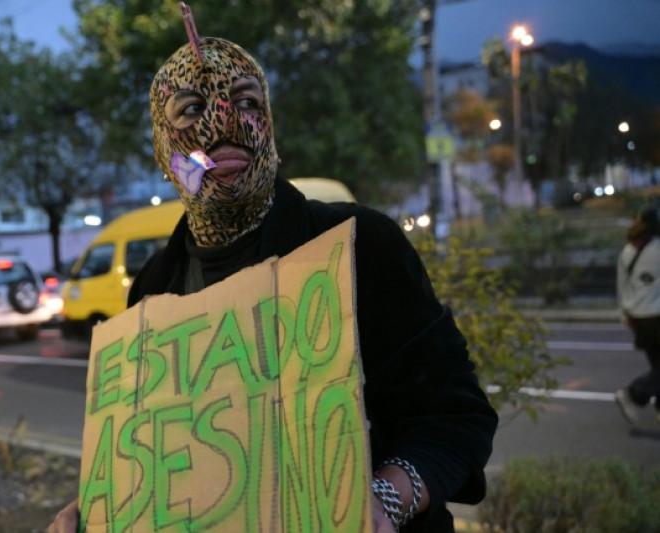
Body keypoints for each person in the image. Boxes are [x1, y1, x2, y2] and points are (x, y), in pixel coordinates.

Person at [50, 7, 497, 533]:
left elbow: (456, 416)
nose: (226, 123)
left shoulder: (358, 245)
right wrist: (99, 509)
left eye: (246, 102)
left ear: (269, 124)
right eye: (192, 109)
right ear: (161, 145)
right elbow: (152, 459)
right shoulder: (151, 290)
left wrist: (386, 499)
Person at [614, 204, 660, 425]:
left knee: (657, 364)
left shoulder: (628, 250)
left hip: (638, 318)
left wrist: (625, 315)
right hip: (656, 315)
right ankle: (632, 394)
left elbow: (622, 286)